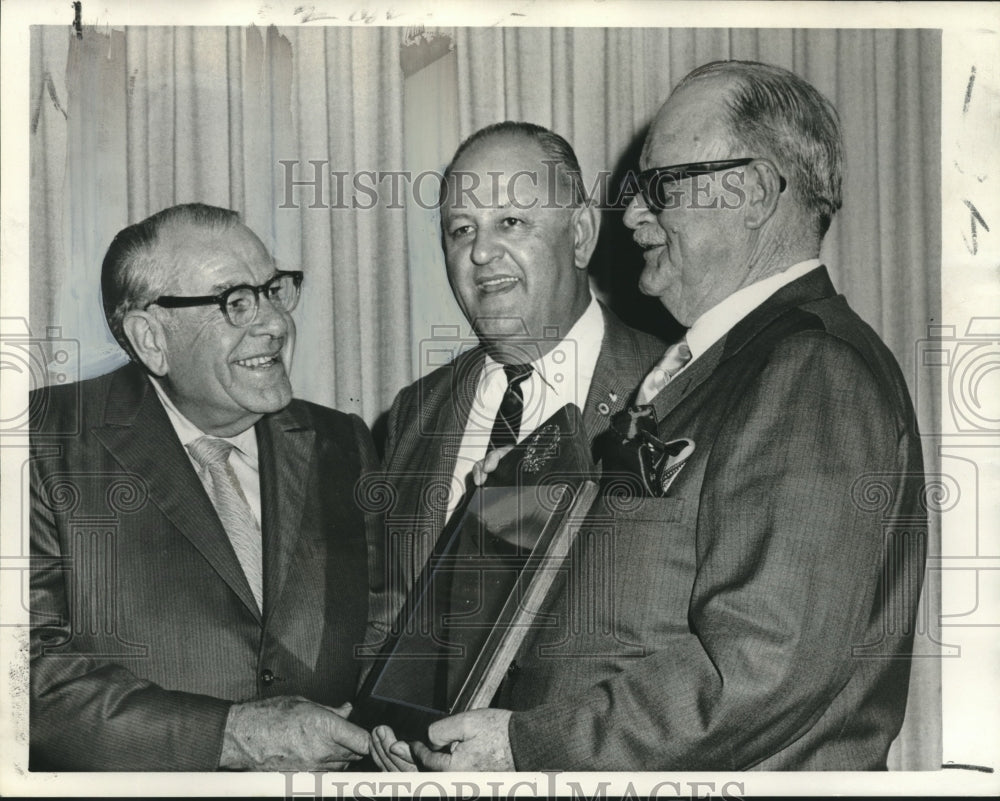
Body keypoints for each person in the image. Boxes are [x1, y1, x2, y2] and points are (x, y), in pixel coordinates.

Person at [382, 61, 927, 772]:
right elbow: (638, 595)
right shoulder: (722, 368)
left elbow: (759, 665)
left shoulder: (810, 370)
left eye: (660, 186)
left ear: (755, 191)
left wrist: (526, 745)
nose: (634, 216)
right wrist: (514, 498)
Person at [30, 203, 376, 770]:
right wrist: (232, 736)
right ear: (151, 338)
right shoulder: (44, 443)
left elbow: (389, 633)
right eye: (235, 302)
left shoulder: (343, 443)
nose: (273, 323)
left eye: (273, 290)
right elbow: (24, 679)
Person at [367, 122, 664, 762]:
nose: (480, 252)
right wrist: (385, 725)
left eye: (511, 222)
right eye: (461, 230)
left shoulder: (673, 390)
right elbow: (390, 604)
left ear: (580, 234)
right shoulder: (415, 413)